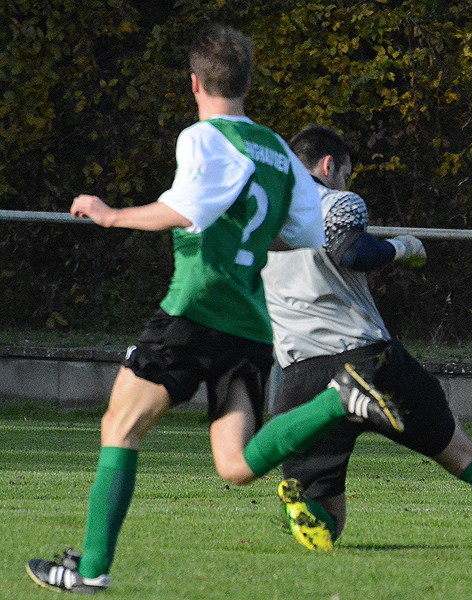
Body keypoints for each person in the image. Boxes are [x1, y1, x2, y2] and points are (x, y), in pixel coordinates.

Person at [26, 25, 403, 594]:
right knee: (235, 464)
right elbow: (303, 235)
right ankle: (341, 399)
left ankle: (92, 569)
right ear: (247, 83)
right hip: (250, 324)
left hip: (194, 310)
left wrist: (109, 214)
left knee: (119, 426)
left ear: (195, 83)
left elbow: (187, 210)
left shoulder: (204, 137)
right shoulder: (279, 152)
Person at [261, 124, 472, 553]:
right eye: (345, 173)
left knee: (328, 521)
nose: (344, 183)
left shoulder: (262, 219)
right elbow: (352, 251)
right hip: (367, 363)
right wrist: (403, 247)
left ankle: (303, 509)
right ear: (329, 166)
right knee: (465, 457)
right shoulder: (335, 201)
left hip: (301, 375)